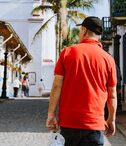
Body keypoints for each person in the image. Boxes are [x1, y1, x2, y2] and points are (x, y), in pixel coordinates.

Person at [46, 16, 117, 146]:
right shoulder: (108, 59)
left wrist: (51, 114)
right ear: (99, 35)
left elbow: (57, 86)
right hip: (94, 124)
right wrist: (111, 119)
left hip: (69, 123)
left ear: (83, 30)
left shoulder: (67, 53)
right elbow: (112, 95)